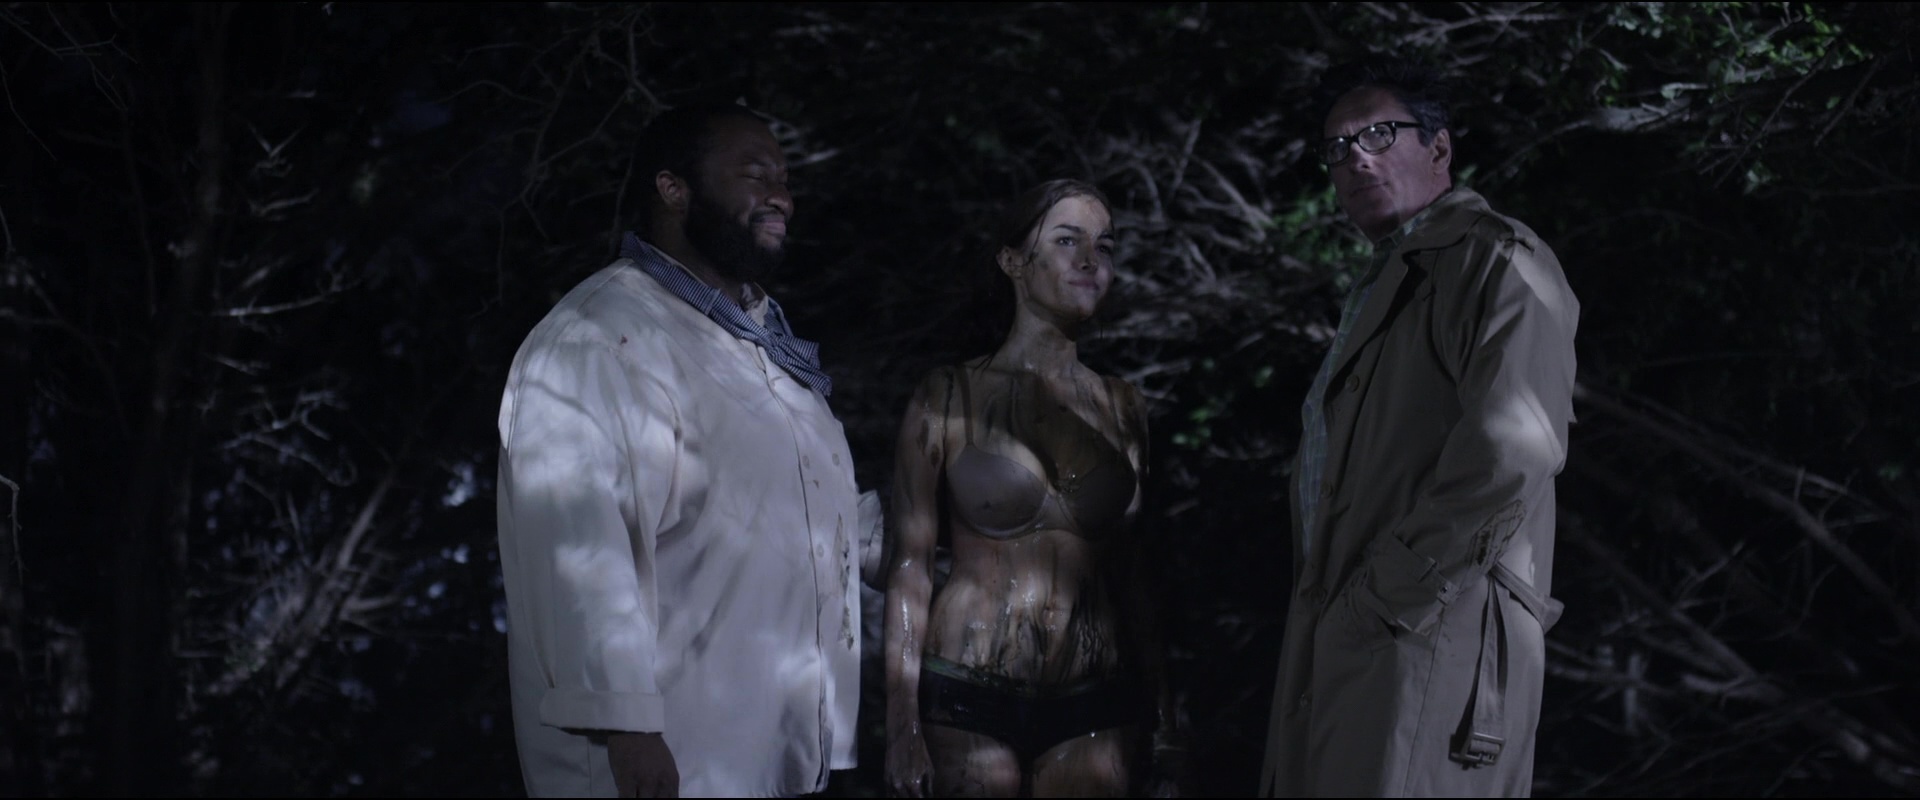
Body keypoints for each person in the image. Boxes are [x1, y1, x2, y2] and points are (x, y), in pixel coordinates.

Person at [495, 102, 863, 797]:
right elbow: (580, 546)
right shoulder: (599, 335)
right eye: (755, 174)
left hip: (769, 754)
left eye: (785, 179)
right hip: (662, 758)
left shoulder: (761, 347)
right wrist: (628, 726)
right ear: (673, 189)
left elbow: (801, 515)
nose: (781, 196)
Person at [1259, 56, 1580, 797]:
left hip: (1430, 633)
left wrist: (1390, 595)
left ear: (1439, 146)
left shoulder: (1497, 258)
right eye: (1337, 147)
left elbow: (1514, 452)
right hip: (1363, 634)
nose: (1355, 158)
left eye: (1378, 134)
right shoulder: (1391, 279)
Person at [882, 179, 1180, 798]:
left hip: (1095, 691)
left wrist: (1161, 702)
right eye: (1067, 240)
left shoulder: (1122, 407)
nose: (1090, 260)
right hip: (967, 684)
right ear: (1013, 261)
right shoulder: (949, 395)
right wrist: (901, 723)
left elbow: (1132, 571)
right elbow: (910, 565)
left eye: (1105, 245)